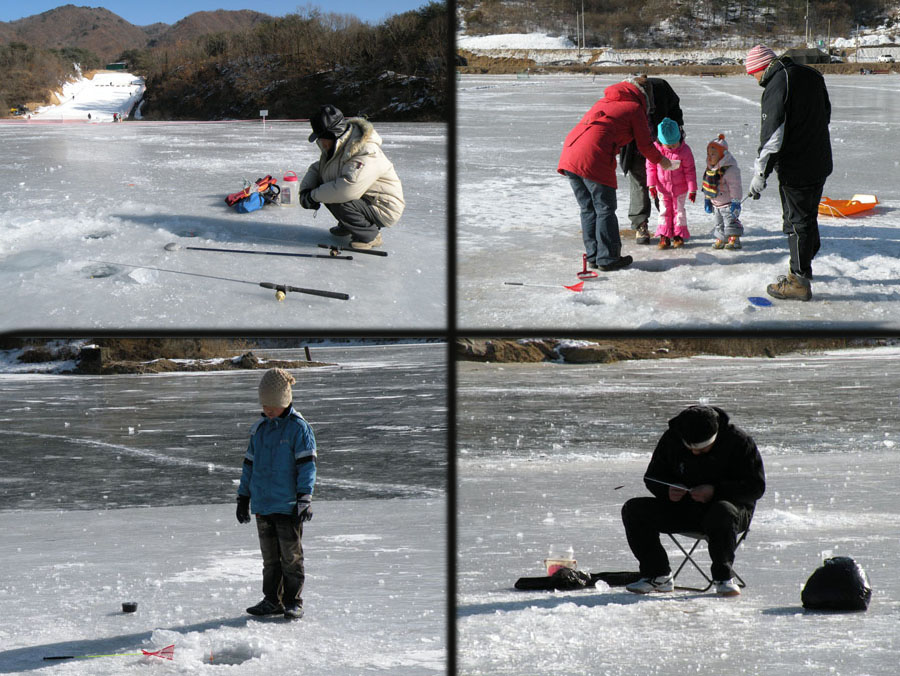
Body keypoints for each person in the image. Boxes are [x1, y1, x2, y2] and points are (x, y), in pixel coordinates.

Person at [621, 405, 765, 597]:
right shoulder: (672, 438)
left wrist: (715, 491)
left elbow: (756, 487)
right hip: (684, 508)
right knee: (634, 509)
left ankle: (723, 577)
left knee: (722, 511)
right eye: (691, 448)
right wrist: (667, 490)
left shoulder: (739, 441)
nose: (696, 453)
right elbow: (652, 477)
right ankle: (658, 574)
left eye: (703, 448)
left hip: (729, 513)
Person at [745, 44, 833, 301]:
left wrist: (761, 173)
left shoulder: (777, 83)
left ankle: (798, 280)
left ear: (761, 67)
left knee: (796, 222)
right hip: (819, 159)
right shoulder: (811, 74)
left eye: (752, 73)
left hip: (797, 166)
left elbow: (773, 135)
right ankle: (805, 264)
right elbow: (826, 113)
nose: (754, 79)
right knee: (808, 216)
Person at [557, 78, 672, 272]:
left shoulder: (605, 101)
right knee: (605, 209)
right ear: (644, 95)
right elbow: (644, 145)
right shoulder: (634, 108)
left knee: (588, 209)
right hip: (593, 156)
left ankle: (593, 256)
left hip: (570, 154)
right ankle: (608, 258)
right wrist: (662, 161)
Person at [236, 368, 317, 620]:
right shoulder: (259, 430)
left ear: (285, 401)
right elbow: (249, 466)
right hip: (263, 505)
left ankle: (293, 601)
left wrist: (304, 498)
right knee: (270, 560)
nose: (268, 410)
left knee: (291, 558)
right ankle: (272, 600)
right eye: (265, 405)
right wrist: (243, 498)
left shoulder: (299, 429)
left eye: (273, 405)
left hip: (288, 505)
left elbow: (307, 467)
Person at [299, 104, 405, 250]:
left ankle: (370, 235)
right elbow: (319, 168)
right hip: (366, 200)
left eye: (323, 138)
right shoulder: (339, 146)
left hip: (383, 206)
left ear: (333, 134)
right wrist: (306, 190)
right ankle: (349, 225)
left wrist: (313, 196)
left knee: (339, 198)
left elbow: (347, 189)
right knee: (328, 188)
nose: (321, 143)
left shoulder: (366, 150)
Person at [618, 77, 685, 245]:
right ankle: (640, 225)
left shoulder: (661, 88)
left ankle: (669, 225)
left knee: (664, 186)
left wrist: (677, 135)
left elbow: (675, 110)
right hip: (635, 150)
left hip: (661, 149)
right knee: (639, 186)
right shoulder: (626, 95)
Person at [646, 117, 697, 249]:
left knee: (679, 211)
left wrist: (692, 189)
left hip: (680, 189)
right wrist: (651, 185)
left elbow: (690, 170)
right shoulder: (656, 150)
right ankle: (664, 235)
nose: (672, 148)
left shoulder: (685, 151)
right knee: (664, 211)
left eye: (675, 144)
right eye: (668, 146)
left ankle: (678, 235)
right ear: (660, 141)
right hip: (663, 188)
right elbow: (650, 168)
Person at [702, 134, 744, 250]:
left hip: (728, 204)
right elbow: (707, 185)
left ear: (722, 154)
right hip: (716, 204)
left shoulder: (730, 169)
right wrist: (707, 199)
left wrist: (736, 201)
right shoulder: (710, 169)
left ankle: (734, 239)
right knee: (718, 223)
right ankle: (721, 238)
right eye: (708, 154)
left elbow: (735, 186)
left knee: (730, 222)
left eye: (713, 154)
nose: (710, 157)